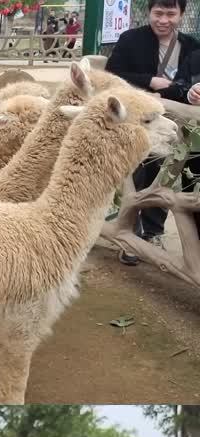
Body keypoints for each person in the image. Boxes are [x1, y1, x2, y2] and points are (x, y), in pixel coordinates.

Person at [107, 0, 200, 264]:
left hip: (175, 123)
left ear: (181, 15)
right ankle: (129, 233)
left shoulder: (192, 46)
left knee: (165, 174)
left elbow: (186, 84)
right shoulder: (130, 40)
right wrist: (149, 80)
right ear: (149, 13)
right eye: (158, 13)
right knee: (136, 171)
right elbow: (113, 74)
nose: (163, 20)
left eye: (171, 14)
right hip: (138, 122)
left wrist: (186, 93)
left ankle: (153, 231)